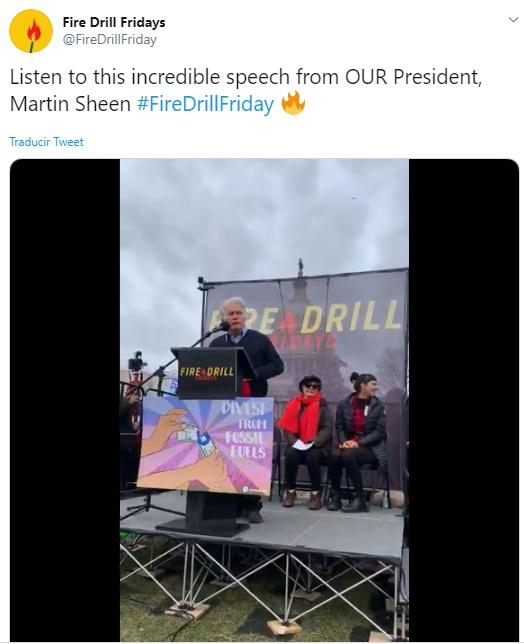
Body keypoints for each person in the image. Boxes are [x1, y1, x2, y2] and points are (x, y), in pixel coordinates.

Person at [210, 296, 284, 522]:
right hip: (223, 408)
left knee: (248, 456)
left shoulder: (260, 340)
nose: (234, 317)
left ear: (245, 316)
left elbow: (278, 366)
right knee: (225, 456)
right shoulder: (216, 344)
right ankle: (229, 503)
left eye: (237, 313)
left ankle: (252, 505)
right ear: (224, 319)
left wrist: (254, 373)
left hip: (252, 406)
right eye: (230, 314)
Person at [327, 372, 387, 513]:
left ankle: (360, 500)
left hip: (371, 448)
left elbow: (379, 432)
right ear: (362, 386)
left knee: (348, 456)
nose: (376, 387)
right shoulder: (344, 404)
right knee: (335, 455)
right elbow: (339, 426)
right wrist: (344, 442)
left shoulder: (379, 405)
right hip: (349, 445)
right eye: (373, 384)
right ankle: (335, 496)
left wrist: (358, 443)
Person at [278, 375, 333, 510]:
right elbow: (287, 428)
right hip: (297, 444)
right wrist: (295, 442)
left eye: (315, 386)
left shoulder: (322, 405)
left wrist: (314, 441)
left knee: (312, 456)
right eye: (308, 385)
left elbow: (327, 428)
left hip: (316, 445)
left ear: (318, 389)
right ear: (302, 387)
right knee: (291, 455)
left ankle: (315, 494)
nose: (311, 388)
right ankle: (291, 492)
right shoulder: (294, 404)